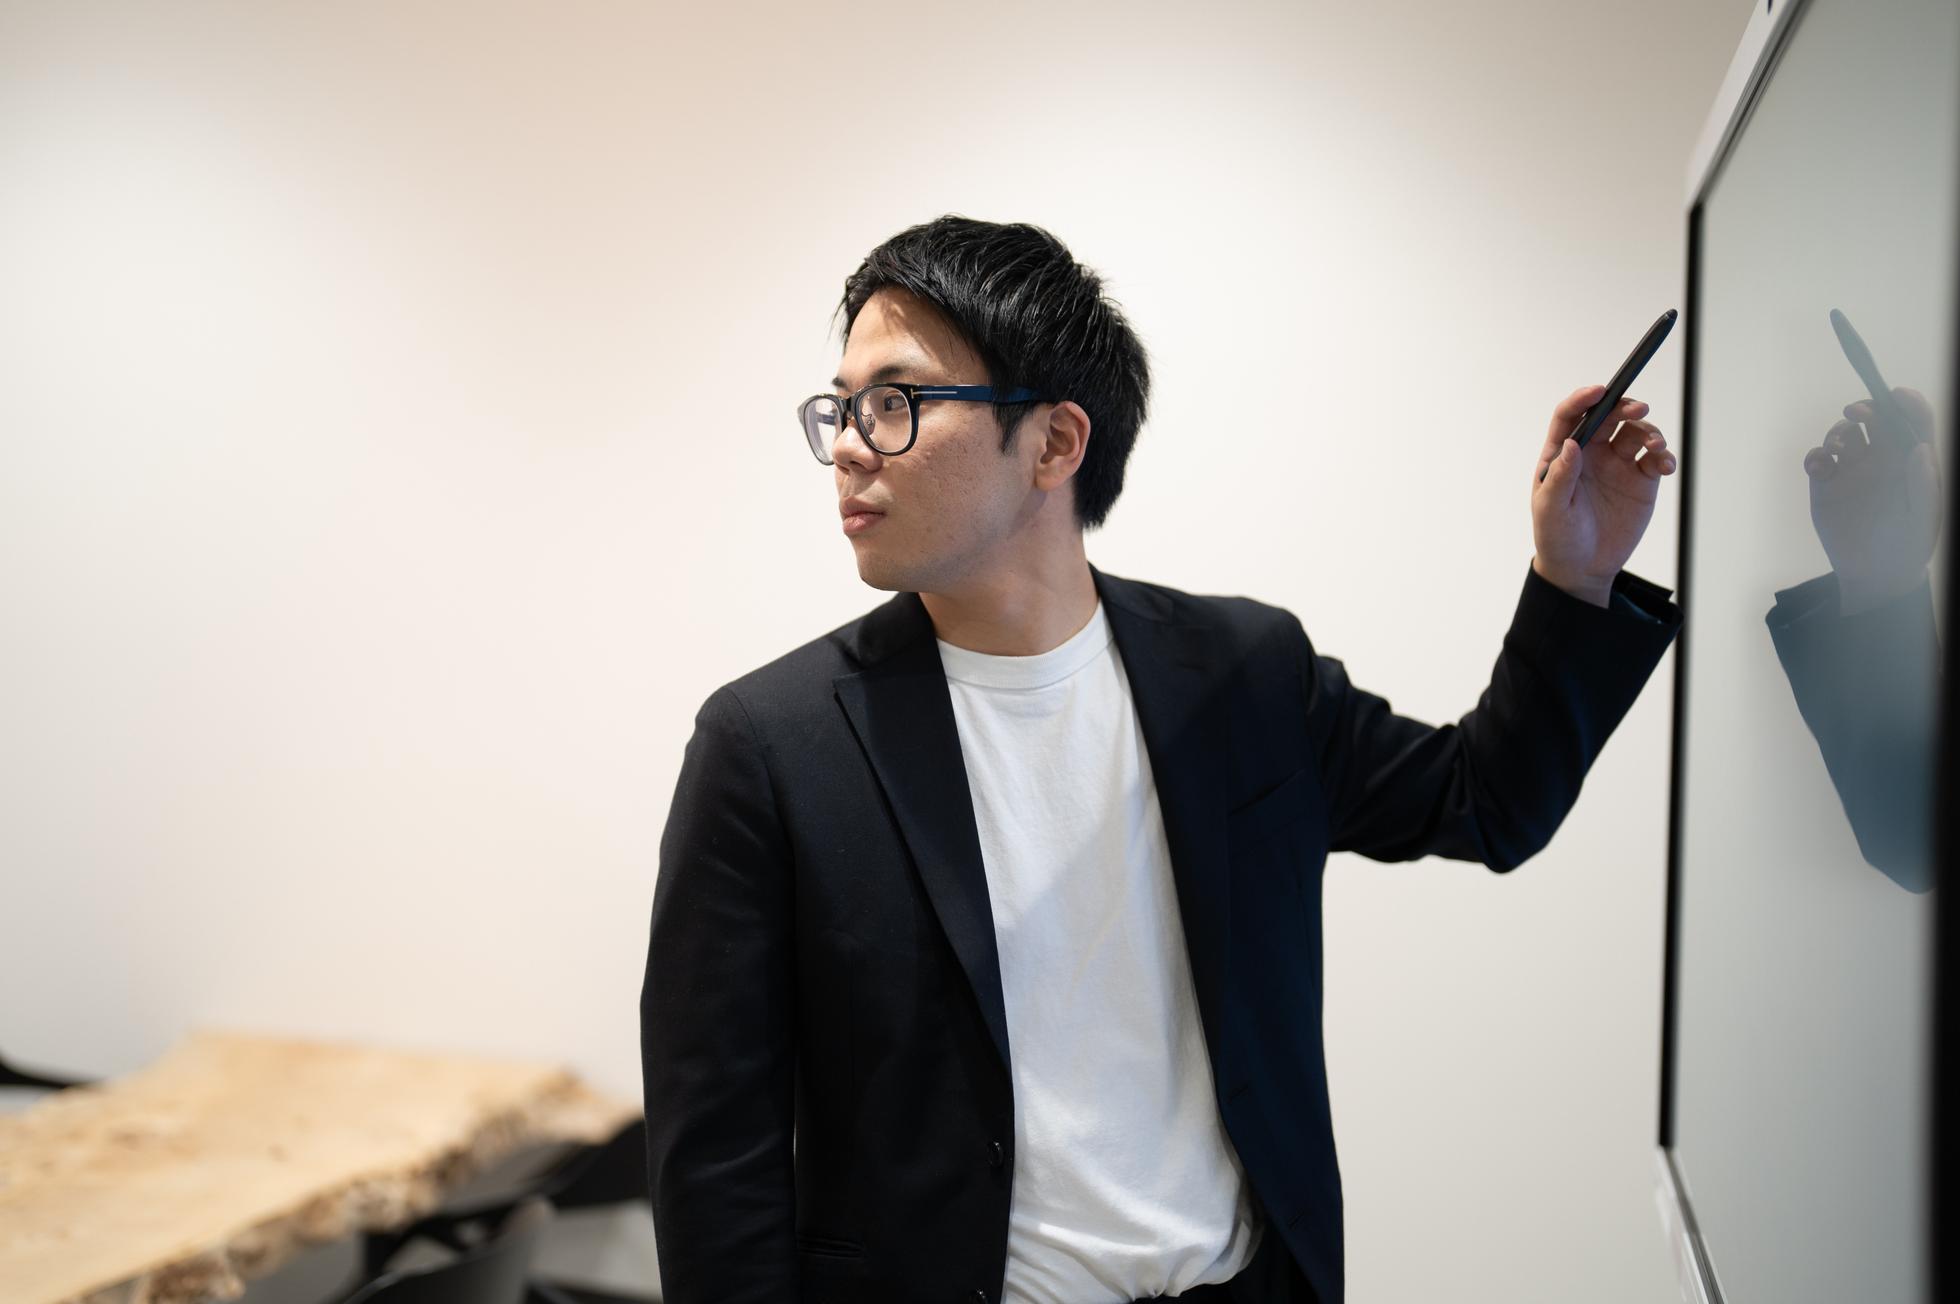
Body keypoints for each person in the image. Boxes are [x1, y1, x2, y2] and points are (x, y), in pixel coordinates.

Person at [640, 215, 1683, 1304]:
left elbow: (1488, 802)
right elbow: (717, 1164)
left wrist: (1575, 578)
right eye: (843, 407)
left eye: (896, 401)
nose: (853, 445)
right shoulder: (772, 745)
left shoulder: (1242, 674)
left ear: (1054, 443)